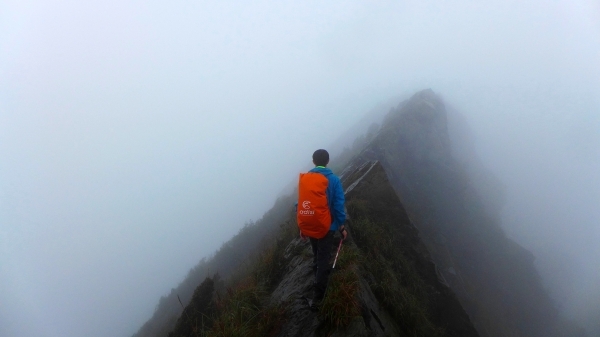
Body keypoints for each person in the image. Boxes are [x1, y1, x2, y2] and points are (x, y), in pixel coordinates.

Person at [299, 149, 347, 308]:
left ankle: (316, 280)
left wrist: (302, 226)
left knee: (316, 254)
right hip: (328, 226)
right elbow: (338, 205)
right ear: (327, 161)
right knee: (323, 260)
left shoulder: (306, 179)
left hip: (310, 224)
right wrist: (341, 225)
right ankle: (318, 297)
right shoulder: (333, 180)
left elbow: (301, 203)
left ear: (313, 161)